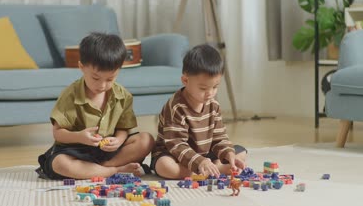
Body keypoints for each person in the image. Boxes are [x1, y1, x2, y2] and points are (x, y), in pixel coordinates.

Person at [36, 32, 154, 180]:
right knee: (60, 163)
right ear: (81, 67)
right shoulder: (70, 95)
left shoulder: (123, 95)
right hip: (75, 150)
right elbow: (58, 132)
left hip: (107, 152)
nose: (102, 85)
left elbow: (123, 128)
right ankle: (115, 170)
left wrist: (118, 140)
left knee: (146, 140)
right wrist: (80, 136)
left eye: (110, 78)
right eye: (96, 78)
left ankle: (97, 169)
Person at [151, 44, 247, 179]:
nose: (210, 93)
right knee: (164, 166)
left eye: (215, 87)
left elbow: (219, 138)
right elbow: (176, 144)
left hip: (204, 154)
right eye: (203, 88)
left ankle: (214, 167)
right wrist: (199, 161)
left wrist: (228, 154)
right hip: (175, 154)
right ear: (185, 80)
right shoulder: (176, 107)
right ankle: (216, 169)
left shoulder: (213, 105)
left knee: (240, 152)